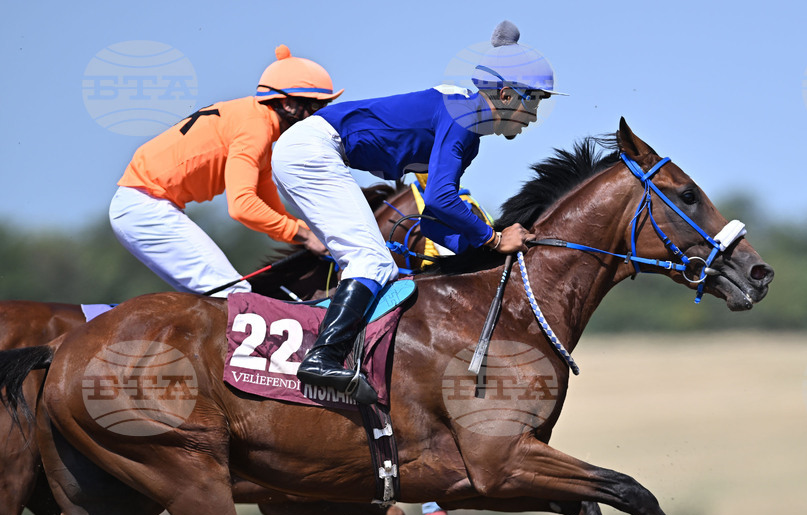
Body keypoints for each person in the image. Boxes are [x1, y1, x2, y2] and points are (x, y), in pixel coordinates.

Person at [271, 21, 562, 403]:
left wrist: (484, 251)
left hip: (307, 152)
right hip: (312, 153)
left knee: (376, 265)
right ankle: (322, 358)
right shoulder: (464, 120)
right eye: (534, 101)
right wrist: (493, 237)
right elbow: (442, 200)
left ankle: (343, 351)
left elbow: (432, 218)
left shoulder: (464, 120)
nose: (535, 116)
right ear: (506, 94)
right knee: (372, 262)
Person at [110, 46, 339, 296]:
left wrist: (314, 233)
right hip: (146, 208)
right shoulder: (255, 129)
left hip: (145, 206)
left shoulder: (258, 126)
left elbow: (271, 211)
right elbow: (242, 207)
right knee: (236, 295)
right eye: (316, 106)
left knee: (224, 298)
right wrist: (305, 236)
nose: (320, 117)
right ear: (287, 103)